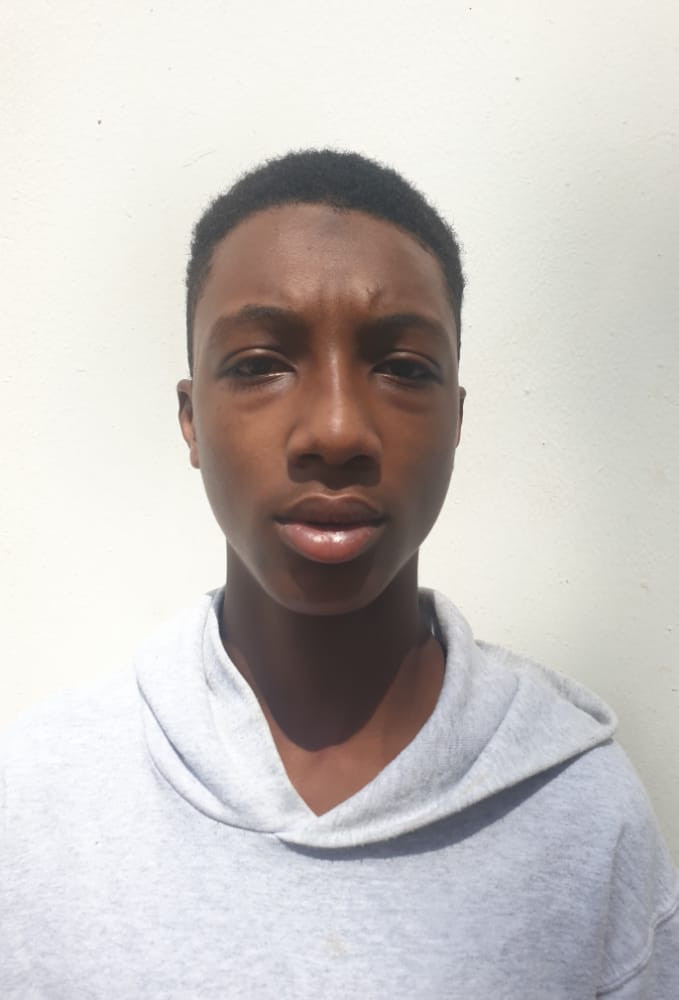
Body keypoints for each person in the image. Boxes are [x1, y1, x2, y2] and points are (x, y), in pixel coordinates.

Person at [1, 149, 677, 999]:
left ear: (455, 419)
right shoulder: (38, 801)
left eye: (402, 367)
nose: (335, 429)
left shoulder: (581, 812)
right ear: (191, 419)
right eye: (259, 363)